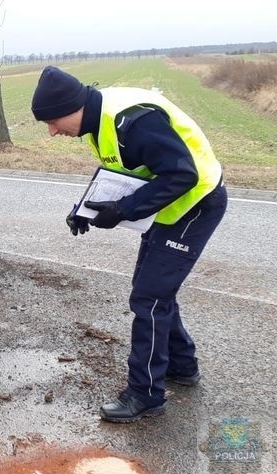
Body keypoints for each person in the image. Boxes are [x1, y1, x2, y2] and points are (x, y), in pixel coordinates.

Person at [30, 66, 227, 423]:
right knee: (153, 290)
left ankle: (145, 394)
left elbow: (184, 174)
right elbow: (119, 173)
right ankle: (182, 366)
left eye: (54, 121)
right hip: (166, 209)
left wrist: (123, 210)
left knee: (149, 298)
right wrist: (85, 210)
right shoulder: (95, 122)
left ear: (74, 106)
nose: (52, 131)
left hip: (196, 203)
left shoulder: (133, 122)